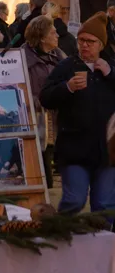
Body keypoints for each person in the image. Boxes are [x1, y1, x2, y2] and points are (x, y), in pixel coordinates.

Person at [40, 11, 115, 212]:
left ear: (101, 44)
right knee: (74, 200)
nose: (84, 45)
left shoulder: (110, 67)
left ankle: (104, 243)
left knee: (105, 206)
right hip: (74, 148)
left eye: (90, 41)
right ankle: (65, 239)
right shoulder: (66, 67)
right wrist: (68, 87)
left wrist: (110, 74)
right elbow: (45, 97)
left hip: (107, 151)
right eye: (81, 40)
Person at [22, 15, 65, 187]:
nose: (57, 35)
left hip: (57, 117)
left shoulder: (59, 56)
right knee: (41, 161)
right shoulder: (23, 58)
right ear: (41, 37)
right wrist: (36, 101)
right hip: (35, 118)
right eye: (53, 32)